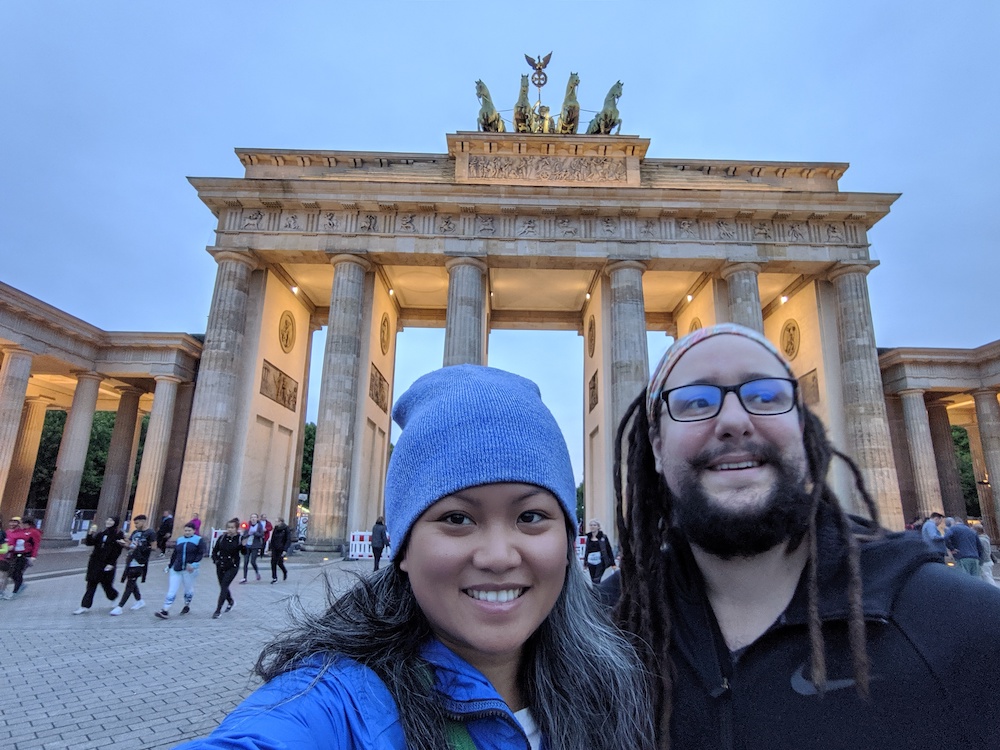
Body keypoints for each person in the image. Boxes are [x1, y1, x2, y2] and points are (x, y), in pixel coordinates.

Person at [176, 364, 654, 750]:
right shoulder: (337, 704)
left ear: (567, 538)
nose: (497, 556)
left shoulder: (617, 686)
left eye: (530, 516)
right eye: (457, 519)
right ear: (402, 547)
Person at [606, 322, 1000, 749]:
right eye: (696, 401)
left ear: (803, 429)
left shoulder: (966, 625)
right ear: (657, 448)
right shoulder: (600, 631)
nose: (735, 420)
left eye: (764, 396)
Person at [155, 522, 206, 619]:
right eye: (186, 530)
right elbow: (175, 554)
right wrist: (170, 566)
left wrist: (194, 564)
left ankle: (187, 604)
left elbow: (200, 553)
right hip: (177, 568)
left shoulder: (198, 540)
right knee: (172, 590)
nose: (187, 532)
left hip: (189, 569)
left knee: (188, 589)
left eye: (189, 530)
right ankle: (165, 610)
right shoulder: (180, 540)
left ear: (194, 531)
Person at [74, 517, 124, 614]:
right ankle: (85, 606)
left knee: (106, 584)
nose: (108, 522)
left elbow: (117, 550)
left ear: (115, 523)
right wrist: (90, 533)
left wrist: (111, 563)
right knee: (91, 583)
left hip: (107, 562)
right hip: (95, 561)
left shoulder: (118, 534)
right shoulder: (101, 533)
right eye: (108, 520)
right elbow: (90, 543)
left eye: (111, 520)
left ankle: (113, 596)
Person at [110, 514, 156, 615]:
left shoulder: (150, 533)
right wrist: (123, 543)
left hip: (140, 561)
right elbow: (130, 544)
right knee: (131, 580)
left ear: (143, 521)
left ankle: (120, 606)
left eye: (137, 523)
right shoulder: (135, 532)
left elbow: (153, 547)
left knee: (130, 582)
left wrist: (140, 547)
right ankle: (139, 600)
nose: (135, 525)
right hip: (131, 559)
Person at [211, 518, 242, 619]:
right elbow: (215, 551)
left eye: (232, 528)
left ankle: (218, 610)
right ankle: (230, 601)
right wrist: (216, 560)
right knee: (223, 586)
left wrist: (244, 546)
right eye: (228, 527)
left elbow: (244, 552)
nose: (230, 529)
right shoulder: (222, 538)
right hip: (221, 565)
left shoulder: (239, 539)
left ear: (236, 528)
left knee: (224, 585)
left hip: (232, 566)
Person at [0, 517, 38, 598]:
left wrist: (33, 556)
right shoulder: (7, 532)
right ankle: (6, 590)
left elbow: (35, 544)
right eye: (11, 522)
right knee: (8, 573)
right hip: (8, 556)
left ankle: (16, 590)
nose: (12, 524)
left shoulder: (28, 533)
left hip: (21, 555)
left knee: (16, 573)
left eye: (16, 522)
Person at [583, 519, 613, 583]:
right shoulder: (588, 537)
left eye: (594, 525)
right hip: (590, 561)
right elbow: (586, 551)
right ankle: (595, 591)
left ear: (598, 527)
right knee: (593, 579)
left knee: (597, 578)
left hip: (600, 561)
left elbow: (609, 550)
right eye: (591, 525)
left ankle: (596, 591)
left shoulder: (603, 537)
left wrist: (613, 563)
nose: (592, 527)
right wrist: (585, 563)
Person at [240, 513, 265, 583]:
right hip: (247, 545)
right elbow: (244, 535)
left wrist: (255, 533)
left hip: (255, 546)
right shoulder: (248, 526)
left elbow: (262, 535)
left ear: (257, 519)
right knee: (245, 562)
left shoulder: (259, 526)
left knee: (253, 561)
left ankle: (257, 572)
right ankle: (244, 577)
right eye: (252, 517)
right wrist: (248, 534)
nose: (253, 519)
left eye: (254, 517)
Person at [268, 517, 290, 583]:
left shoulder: (286, 529)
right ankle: (274, 577)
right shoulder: (276, 528)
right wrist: (270, 549)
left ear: (280, 522)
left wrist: (285, 549)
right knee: (273, 562)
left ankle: (284, 571)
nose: (275, 523)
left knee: (279, 562)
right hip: (275, 548)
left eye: (276, 521)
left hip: (281, 548)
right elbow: (272, 539)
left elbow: (288, 540)